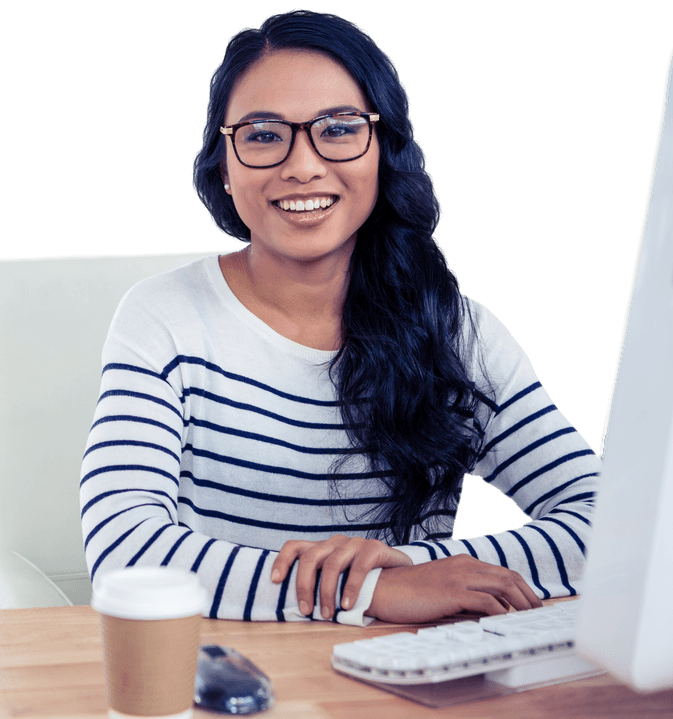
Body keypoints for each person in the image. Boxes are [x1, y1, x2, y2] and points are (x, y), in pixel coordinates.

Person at [78, 9, 598, 624]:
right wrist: (367, 593)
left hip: (411, 670)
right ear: (223, 164)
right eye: (264, 134)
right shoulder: (163, 318)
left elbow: (615, 524)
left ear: (384, 150)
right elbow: (123, 551)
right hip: (224, 674)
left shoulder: (457, 330)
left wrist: (423, 568)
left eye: (339, 128)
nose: (302, 165)